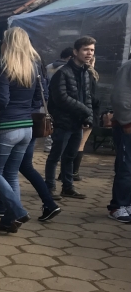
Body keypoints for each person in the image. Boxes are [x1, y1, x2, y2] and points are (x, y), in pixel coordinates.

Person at [0, 27, 45, 233]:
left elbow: (1, 100)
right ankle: (9, 221)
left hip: (6, 127)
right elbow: (38, 100)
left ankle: (17, 211)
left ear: (7, 44)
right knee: (11, 174)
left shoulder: (3, 68)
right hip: (26, 127)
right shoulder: (34, 68)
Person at [45, 36, 95, 200]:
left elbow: (87, 96)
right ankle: (49, 187)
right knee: (55, 155)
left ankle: (68, 187)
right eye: (86, 49)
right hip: (62, 122)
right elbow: (61, 98)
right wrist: (84, 110)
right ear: (75, 52)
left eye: (92, 50)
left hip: (77, 122)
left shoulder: (85, 73)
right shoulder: (63, 72)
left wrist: (88, 117)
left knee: (70, 156)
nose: (89, 53)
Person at [108, 58, 131, 223]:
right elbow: (120, 97)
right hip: (127, 127)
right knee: (126, 168)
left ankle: (128, 204)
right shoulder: (128, 67)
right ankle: (118, 206)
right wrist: (127, 122)